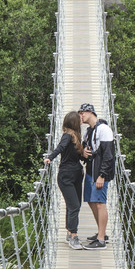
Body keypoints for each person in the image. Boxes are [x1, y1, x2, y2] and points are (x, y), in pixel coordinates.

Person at [44, 110, 87, 249]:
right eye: (79, 118)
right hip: (66, 176)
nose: (81, 119)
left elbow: (75, 156)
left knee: (74, 205)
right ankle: (74, 236)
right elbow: (60, 148)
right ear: (74, 122)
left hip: (77, 174)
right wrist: (50, 157)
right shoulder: (67, 136)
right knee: (74, 205)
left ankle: (69, 233)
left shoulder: (76, 137)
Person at [78, 102, 115, 250]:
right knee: (91, 201)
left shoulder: (104, 129)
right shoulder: (88, 131)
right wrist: (82, 152)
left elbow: (108, 156)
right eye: (80, 113)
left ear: (91, 113)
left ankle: (101, 240)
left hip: (99, 173)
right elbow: (84, 150)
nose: (81, 115)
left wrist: (102, 176)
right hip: (90, 171)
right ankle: (101, 233)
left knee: (100, 202)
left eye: (83, 113)